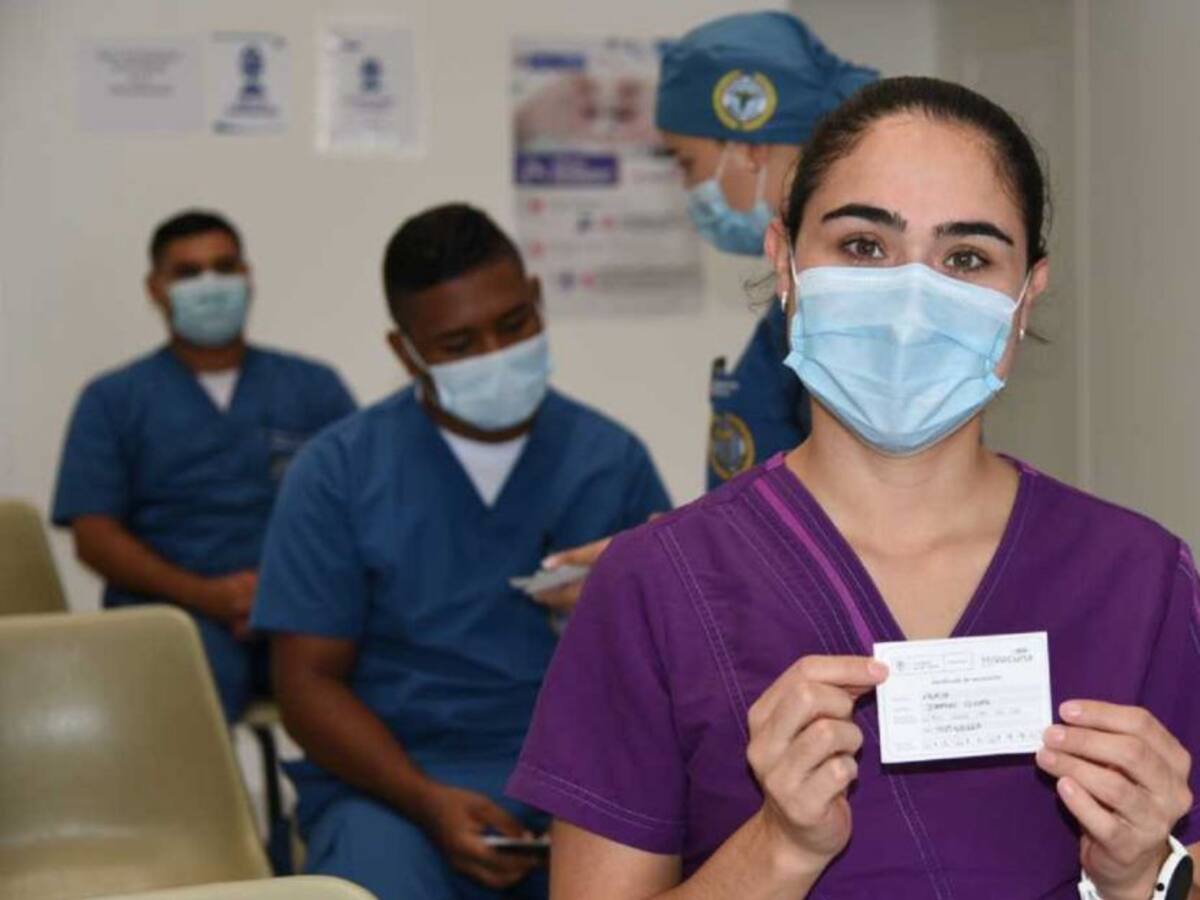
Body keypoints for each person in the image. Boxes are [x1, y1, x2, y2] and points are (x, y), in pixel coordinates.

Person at [508, 77, 1200, 899]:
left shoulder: (1136, 579)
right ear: (785, 262)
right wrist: (778, 848)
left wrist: (1145, 880)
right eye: (865, 247)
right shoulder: (654, 587)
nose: (911, 302)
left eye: (966, 258)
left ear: (1027, 296)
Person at [251, 204, 671, 900]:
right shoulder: (337, 474)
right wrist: (424, 802)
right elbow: (306, 685)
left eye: (513, 324)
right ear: (405, 350)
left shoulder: (610, 461)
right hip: (397, 788)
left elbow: (670, 667)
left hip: (580, 785)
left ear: (536, 299)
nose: (494, 355)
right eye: (457, 343)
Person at [533, 11, 877, 610]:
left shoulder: (849, 307)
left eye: (686, 164)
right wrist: (660, 562)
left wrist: (671, 566)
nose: (688, 190)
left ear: (748, 149)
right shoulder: (794, 301)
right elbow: (775, 508)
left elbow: (858, 525)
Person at [52, 209, 355, 723]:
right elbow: (95, 537)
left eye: (224, 267)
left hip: (302, 610)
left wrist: (282, 594)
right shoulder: (112, 400)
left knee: (386, 677)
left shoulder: (313, 387)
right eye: (188, 273)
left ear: (248, 277)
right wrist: (206, 596)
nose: (210, 285)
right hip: (171, 617)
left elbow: (360, 507)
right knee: (186, 696)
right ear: (155, 289)